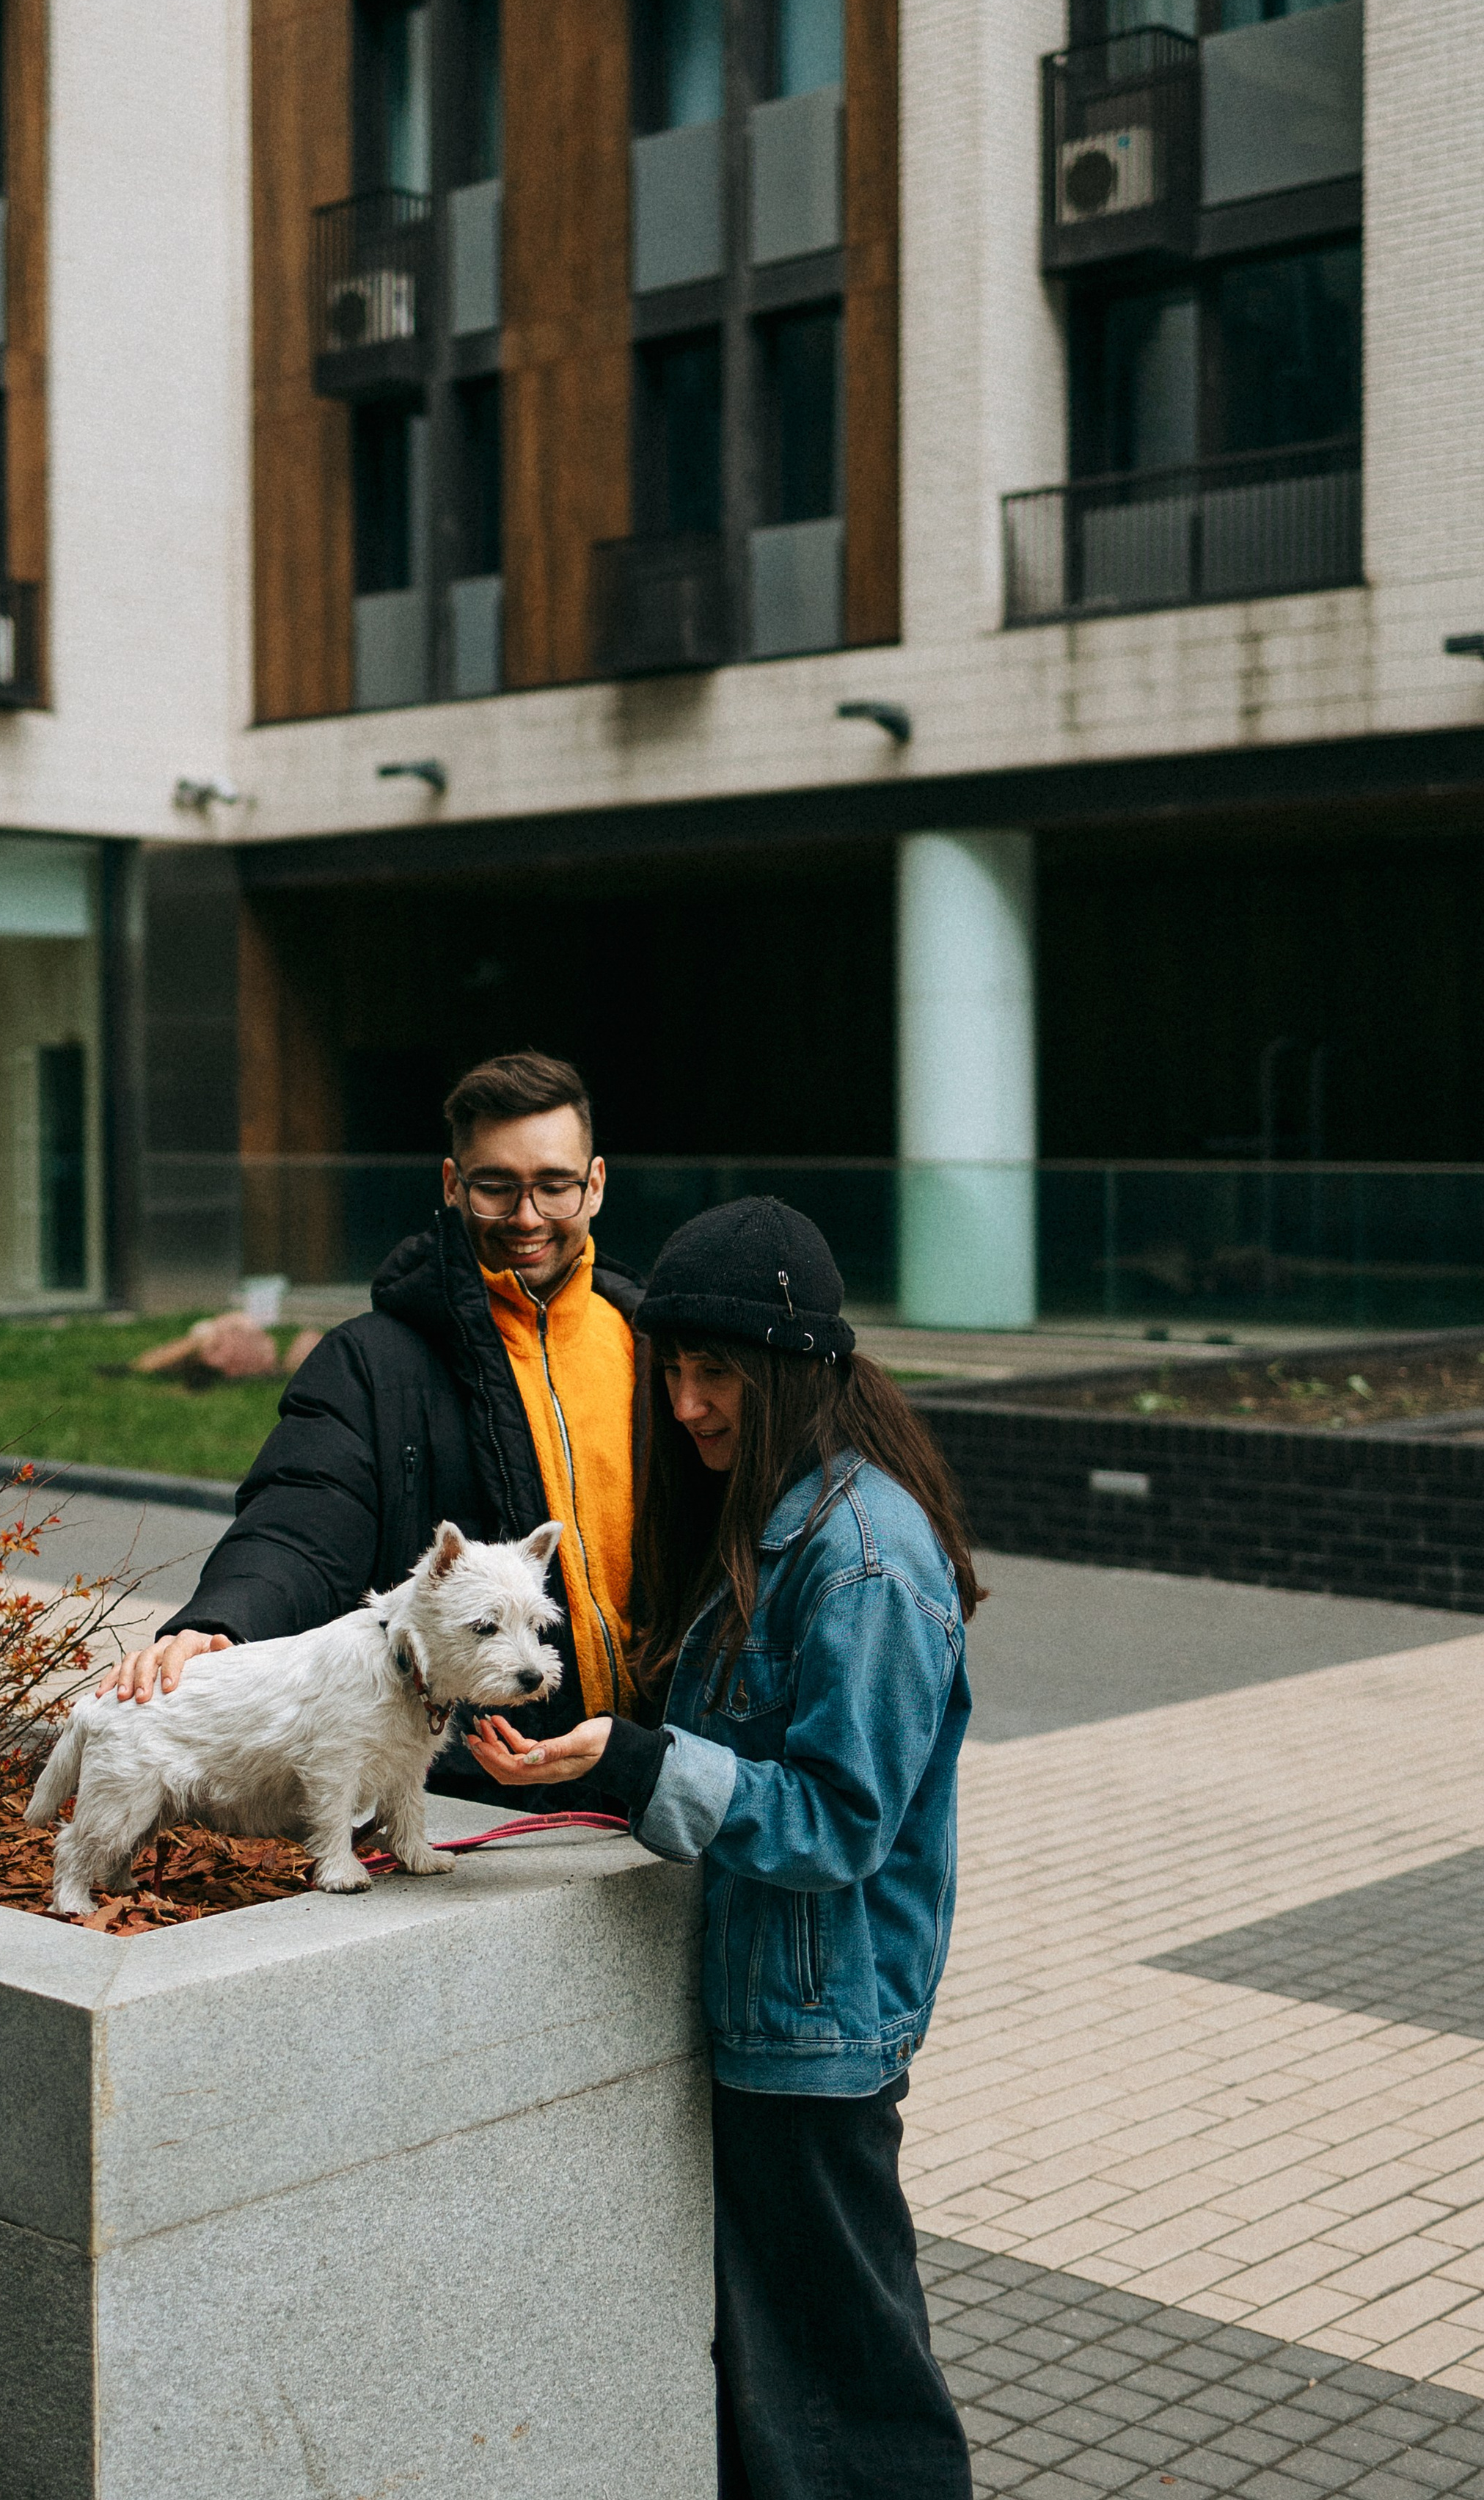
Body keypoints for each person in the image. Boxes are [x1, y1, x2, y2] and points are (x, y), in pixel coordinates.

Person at [467, 1194, 978, 2500]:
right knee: (784, 2378)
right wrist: (602, 1758)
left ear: (791, 1373)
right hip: (770, 2014)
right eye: (673, 1369)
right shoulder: (778, 1510)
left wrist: (642, 1764)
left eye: (718, 1374)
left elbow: (840, 1820)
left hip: (818, 2036)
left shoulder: (864, 1556)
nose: (687, 1404)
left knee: (848, 2390)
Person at [98, 1050, 644, 1803]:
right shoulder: (369, 1362)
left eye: (555, 1185)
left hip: (649, 1772)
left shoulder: (655, 1347)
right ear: (452, 1184)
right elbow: (299, 1520)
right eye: (495, 1187)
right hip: (465, 1790)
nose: (527, 1217)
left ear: (596, 1184)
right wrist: (221, 1621)